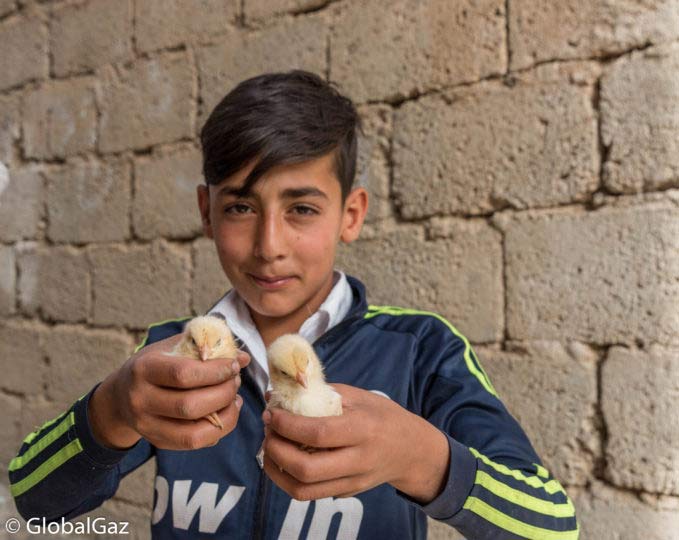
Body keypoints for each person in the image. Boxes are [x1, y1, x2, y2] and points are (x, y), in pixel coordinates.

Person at [8, 70, 579, 539]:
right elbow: (32, 499)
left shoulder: (418, 350)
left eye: (302, 209)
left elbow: (554, 526)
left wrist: (421, 458)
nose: (269, 246)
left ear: (350, 215)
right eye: (240, 208)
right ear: (206, 212)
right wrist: (113, 409)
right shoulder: (174, 355)